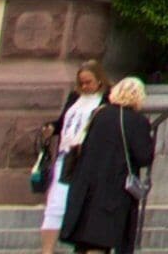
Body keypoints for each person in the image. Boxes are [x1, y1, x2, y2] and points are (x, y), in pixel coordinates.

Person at [56, 78, 153, 254]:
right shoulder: (138, 122)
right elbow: (144, 156)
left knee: (85, 241)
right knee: (101, 239)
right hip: (114, 189)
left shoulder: (99, 113)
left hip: (86, 185)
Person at [34, 61, 104, 254]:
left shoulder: (105, 99)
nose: (84, 87)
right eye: (81, 82)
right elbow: (63, 120)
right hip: (66, 155)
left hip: (86, 157)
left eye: (88, 82)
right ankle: (47, 250)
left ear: (99, 81)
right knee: (55, 203)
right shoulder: (75, 97)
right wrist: (52, 128)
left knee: (84, 204)